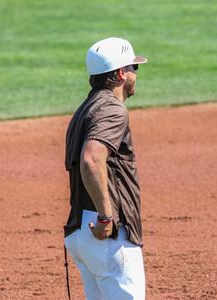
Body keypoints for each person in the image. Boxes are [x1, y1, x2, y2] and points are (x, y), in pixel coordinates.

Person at [64, 37, 147, 300]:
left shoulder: (86, 108)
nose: (136, 74)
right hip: (105, 235)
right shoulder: (112, 109)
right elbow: (91, 159)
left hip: (83, 231)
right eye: (134, 68)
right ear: (121, 74)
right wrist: (105, 217)